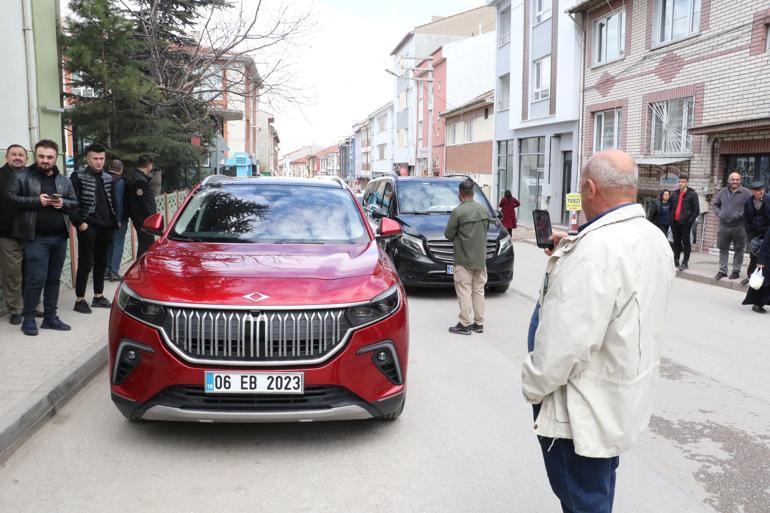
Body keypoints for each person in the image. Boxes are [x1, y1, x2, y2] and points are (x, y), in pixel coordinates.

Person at [522, 150, 675, 513]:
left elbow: (565, 346)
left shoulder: (596, 252)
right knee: (598, 489)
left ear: (590, 188)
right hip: (617, 399)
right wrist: (572, 248)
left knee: (583, 500)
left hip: (581, 411)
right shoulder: (651, 238)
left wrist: (533, 385)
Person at [6, 139, 78, 336]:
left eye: (49, 157)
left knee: (53, 279)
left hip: (60, 237)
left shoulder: (64, 180)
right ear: (36, 156)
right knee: (36, 279)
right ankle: (28, 319)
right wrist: (36, 201)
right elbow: (10, 199)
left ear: (55, 158)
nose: (45, 160)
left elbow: (75, 203)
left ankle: (50, 318)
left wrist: (63, 203)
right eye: (42, 156)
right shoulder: (22, 176)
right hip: (35, 237)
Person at [70, 144, 118, 314]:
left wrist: (115, 221)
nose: (99, 162)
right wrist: (80, 223)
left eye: (101, 158)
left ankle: (98, 296)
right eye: (95, 158)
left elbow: (113, 201)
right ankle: (79, 299)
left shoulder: (107, 177)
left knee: (101, 263)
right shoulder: (78, 176)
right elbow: (72, 202)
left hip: (106, 226)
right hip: (88, 226)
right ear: (88, 159)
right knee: (85, 263)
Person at [444, 179, 489, 335]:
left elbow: (448, 234)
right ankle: (479, 323)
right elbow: (486, 230)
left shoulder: (458, 212)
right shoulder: (483, 210)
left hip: (463, 258)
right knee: (478, 290)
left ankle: (464, 324)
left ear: (460, 194)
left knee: (464, 290)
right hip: (480, 259)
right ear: (473, 193)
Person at [0, 144, 29, 325]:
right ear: (7, 157)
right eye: (14, 154)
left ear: (26, 158)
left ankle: (31, 306)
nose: (17, 157)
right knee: (13, 274)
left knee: (32, 273)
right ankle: (15, 310)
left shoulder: (32, 176)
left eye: (21, 155)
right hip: (7, 233)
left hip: (31, 233)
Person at [712, 172, 750, 280]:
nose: (735, 181)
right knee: (723, 248)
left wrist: (740, 215)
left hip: (739, 226)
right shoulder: (723, 192)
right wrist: (719, 213)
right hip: (724, 226)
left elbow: (750, 206)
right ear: (729, 180)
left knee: (739, 249)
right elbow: (715, 204)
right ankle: (723, 271)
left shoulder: (746, 193)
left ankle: (736, 271)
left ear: (740, 181)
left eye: (737, 179)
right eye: (733, 179)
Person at [125, 154, 157, 257]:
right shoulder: (140, 180)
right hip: (144, 219)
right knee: (147, 246)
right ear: (149, 165)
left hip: (140, 218)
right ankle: (141, 267)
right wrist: (151, 217)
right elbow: (142, 203)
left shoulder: (135, 176)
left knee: (145, 245)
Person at [742, 181, 770, 286]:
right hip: (754, 233)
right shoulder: (749, 202)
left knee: (764, 256)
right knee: (753, 256)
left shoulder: (768, 200)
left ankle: (764, 279)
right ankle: (750, 276)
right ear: (752, 191)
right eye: (758, 190)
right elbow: (746, 218)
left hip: (767, 233)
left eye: (762, 189)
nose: (761, 192)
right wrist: (749, 230)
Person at [669, 174, 699, 271]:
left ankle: (685, 262)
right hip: (675, 222)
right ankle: (676, 260)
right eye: (679, 181)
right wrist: (671, 218)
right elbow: (671, 207)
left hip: (685, 223)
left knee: (686, 242)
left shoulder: (692, 194)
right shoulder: (674, 193)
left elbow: (696, 210)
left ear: (687, 182)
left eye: (683, 181)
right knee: (676, 242)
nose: (681, 183)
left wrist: (689, 222)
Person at [105, 159, 127, 281]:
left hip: (104, 218)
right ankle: (113, 272)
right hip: (117, 219)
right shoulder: (119, 181)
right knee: (117, 244)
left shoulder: (104, 178)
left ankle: (107, 270)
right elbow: (118, 202)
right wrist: (118, 219)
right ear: (121, 169)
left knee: (108, 244)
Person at [742, 223, 770, 313]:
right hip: (768, 258)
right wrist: (761, 260)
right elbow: (766, 243)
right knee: (764, 283)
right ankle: (757, 304)